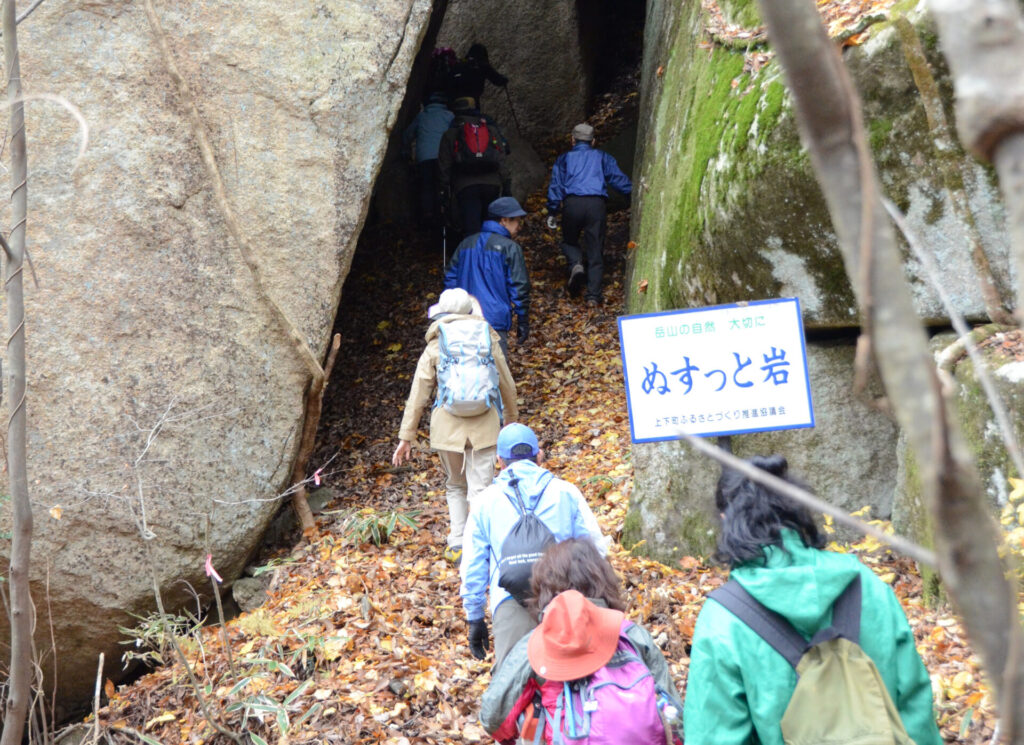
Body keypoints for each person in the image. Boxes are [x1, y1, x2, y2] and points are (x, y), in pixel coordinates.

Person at [683, 455, 943, 745]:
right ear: (796, 509)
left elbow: (715, 734)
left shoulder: (723, 618)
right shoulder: (867, 584)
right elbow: (914, 705)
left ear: (726, 519)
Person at [480, 539, 684, 743]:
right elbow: (676, 716)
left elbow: (492, 717)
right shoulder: (632, 635)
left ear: (545, 590)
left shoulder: (537, 644)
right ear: (604, 581)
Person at [460, 424, 608, 669]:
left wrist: (475, 617)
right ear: (539, 456)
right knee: (571, 677)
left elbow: (474, 564)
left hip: (509, 602)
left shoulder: (485, 502)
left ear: (499, 461)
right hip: (564, 600)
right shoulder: (565, 493)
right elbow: (595, 550)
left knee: (513, 687)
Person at [391, 288, 518, 564]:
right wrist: (511, 420)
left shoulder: (437, 344)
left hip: (447, 427)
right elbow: (507, 383)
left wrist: (406, 436)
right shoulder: (487, 338)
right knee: (481, 489)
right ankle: (482, 545)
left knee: (455, 486)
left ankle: (458, 543)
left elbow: (418, 393)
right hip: (485, 424)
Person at [545, 123, 632, 306]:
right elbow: (617, 179)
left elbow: (556, 186)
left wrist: (552, 210)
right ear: (593, 141)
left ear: (572, 140)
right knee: (595, 249)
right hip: (596, 205)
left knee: (569, 240)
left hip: (572, 203)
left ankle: (576, 263)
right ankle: (593, 296)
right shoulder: (602, 157)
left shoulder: (564, 159)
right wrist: (634, 193)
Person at [444, 196, 530, 359]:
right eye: (518, 221)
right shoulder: (510, 248)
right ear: (504, 220)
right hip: (494, 322)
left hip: (463, 319)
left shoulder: (465, 244)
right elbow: (519, 287)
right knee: (495, 373)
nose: (519, 226)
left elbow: (450, 280)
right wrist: (523, 319)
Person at [437, 97, 511, 237]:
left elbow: (444, 166)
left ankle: (473, 256)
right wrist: (506, 184)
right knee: (491, 226)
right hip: (492, 184)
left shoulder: (450, 134)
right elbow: (501, 159)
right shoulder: (490, 130)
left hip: (465, 186)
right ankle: (491, 256)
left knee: (472, 229)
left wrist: (443, 190)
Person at [402, 92, 455, 229]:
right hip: (444, 157)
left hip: (424, 157)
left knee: (427, 186)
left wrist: (406, 151)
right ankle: (446, 214)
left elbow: (407, 135)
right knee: (444, 185)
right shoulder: (449, 116)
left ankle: (428, 215)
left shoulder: (421, 117)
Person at [449, 43, 509, 108]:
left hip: (454, 98)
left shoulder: (460, 62)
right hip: (473, 99)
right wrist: (504, 79)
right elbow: (497, 80)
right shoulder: (482, 65)